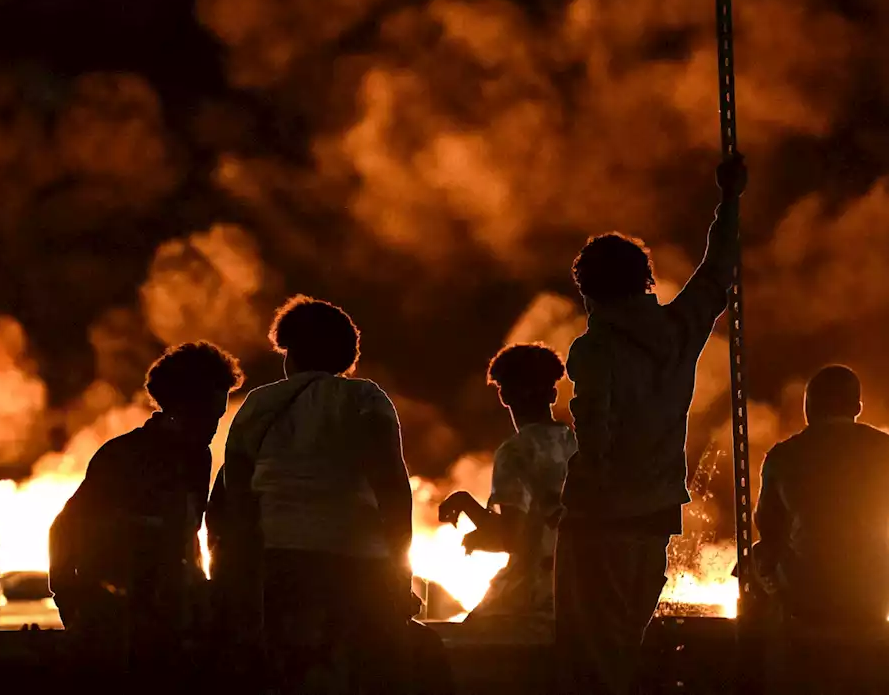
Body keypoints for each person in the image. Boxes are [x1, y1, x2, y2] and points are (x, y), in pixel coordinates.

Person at [555, 155, 745, 695]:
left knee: (585, 653)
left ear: (588, 290)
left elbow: (597, 440)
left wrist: (572, 497)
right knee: (624, 644)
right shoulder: (678, 332)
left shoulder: (595, 351)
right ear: (643, 281)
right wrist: (728, 200)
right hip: (655, 514)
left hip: (600, 520)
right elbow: (716, 272)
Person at [223, 295, 412, 694]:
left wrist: (236, 574)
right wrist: (401, 568)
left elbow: (235, 496)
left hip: (279, 561)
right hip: (358, 562)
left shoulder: (258, 403)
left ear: (289, 351)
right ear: (345, 354)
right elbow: (393, 487)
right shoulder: (365, 398)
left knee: (290, 673)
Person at [49, 341, 243, 659]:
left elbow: (185, 531)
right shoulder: (120, 456)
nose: (213, 426)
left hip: (171, 620)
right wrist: (72, 602)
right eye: (206, 414)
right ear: (178, 405)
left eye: (218, 415)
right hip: (119, 621)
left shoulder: (198, 456)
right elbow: (65, 530)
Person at [753, 365, 889, 625]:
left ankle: (760, 654)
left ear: (809, 407)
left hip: (809, 596)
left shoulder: (784, 455)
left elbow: (768, 527)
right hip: (877, 594)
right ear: (857, 408)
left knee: (756, 558)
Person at [438, 342, 576, 635]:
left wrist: (466, 505)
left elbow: (510, 539)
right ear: (552, 393)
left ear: (504, 395)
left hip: (528, 596)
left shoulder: (514, 452)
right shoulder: (574, 444)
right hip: (577, 591)